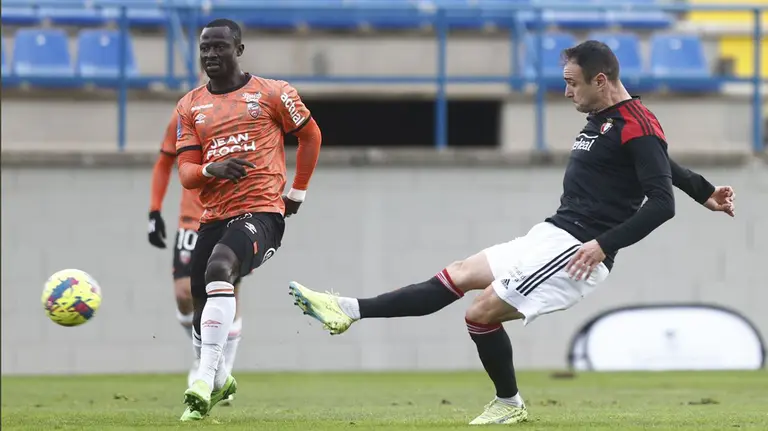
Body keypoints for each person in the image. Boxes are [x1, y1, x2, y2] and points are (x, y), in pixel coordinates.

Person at [287, 40, 736, 425]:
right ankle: (346, 309)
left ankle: (508, 404)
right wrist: (706, 192)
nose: (566, 91)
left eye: (572, 83)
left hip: (578, 249)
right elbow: (664, 165)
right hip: (552, 233)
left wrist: (602, 245)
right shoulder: (609, 120)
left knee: (479, 314)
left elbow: (661, 203)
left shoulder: (636, 123)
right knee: (460, 274)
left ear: (601, 81)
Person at [174, 18, 323, 421]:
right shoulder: (189, 106)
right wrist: (211, 170)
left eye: (219, 47)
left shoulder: (273, 93)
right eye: (205, 48)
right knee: (200, 300)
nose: (211, 55)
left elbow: (310, 136)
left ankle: (202, 382)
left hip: (262, 212)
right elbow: (186, 173)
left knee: (221, 268)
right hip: (213, 216)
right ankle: (221, 378)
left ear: (238, 50)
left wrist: (297, 192)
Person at [147, 106, 244, 400]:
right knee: (184, 294)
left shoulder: (243, 110)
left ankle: (217, 369)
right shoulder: (185, 113)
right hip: (192, 218)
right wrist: (154, 211)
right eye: (205, 61)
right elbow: (165, 162)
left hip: (232, 213)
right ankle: (209, 363)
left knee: (225, 293)